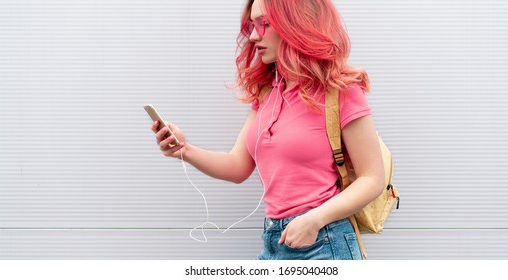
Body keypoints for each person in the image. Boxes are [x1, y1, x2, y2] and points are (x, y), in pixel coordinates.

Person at [150, 0, 384, 260]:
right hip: (274, 240)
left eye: (264, 23)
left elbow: (372, 179)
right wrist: (184, 150)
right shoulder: (266, 93)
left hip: (322, 241)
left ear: (295, 23)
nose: (252, 35)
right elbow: (237, 166)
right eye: (252, 25)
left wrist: (314, 220)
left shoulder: (339, 90)